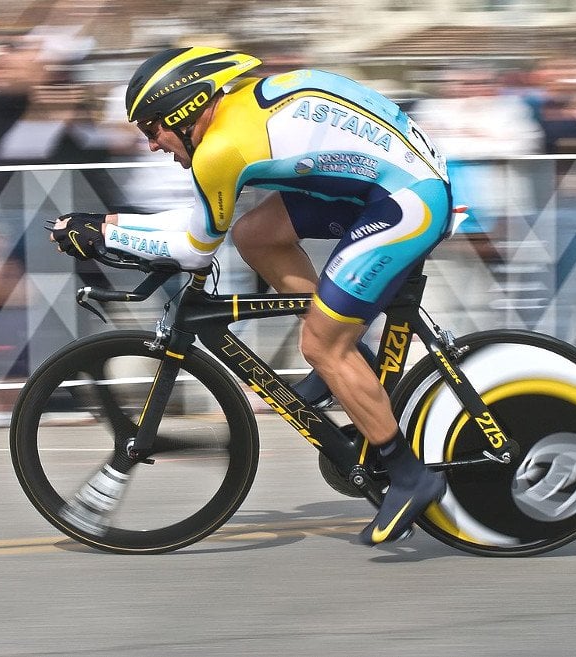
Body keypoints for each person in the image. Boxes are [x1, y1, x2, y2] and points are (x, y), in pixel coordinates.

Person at [49, 47, 451, 545]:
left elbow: (195, 248)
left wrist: (105, 233)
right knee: (256, 236)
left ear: (183, 111)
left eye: (152, 129)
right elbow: (207, 228)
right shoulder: (237, 105)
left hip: (408, 200)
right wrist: (111, 225)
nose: (152, 145)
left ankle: (410, 473)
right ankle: (353, 358)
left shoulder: (221, 149)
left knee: (323, 344)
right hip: (390, 177)